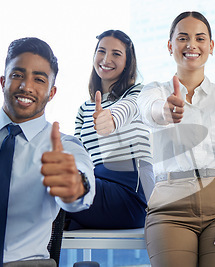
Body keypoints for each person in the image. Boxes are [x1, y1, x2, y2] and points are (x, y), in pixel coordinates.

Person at [0, 37, 95, 266]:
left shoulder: (66, 147)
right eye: (17, 75)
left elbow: (82, 188)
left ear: (52, 92)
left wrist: (75, 187)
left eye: (39, 79)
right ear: (3, 81)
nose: (26, 86)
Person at [137, 11, 215, 267]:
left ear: (211, 46)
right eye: (183, 38)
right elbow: (151, 110)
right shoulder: (154, 91)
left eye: (200, 38)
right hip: (170, 208)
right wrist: (166, 110)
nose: (191, 44)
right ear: (170, 46)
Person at [65, 30, 153, 230]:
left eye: (116, 54)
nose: (106, 59)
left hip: (130, 195)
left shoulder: (138, 92)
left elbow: (128, 108)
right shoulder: (84, 109)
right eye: (101, 51)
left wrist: (110, 118)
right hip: (95, 188)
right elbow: (79, 156)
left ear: (127, 62)